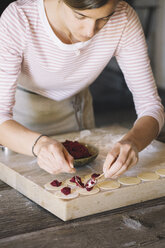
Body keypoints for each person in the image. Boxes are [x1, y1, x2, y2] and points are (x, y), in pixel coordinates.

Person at [0, 0, 164, 178]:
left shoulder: (123, 19)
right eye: (81, 16)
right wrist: (38, 145)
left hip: (77, 108)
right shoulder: (19, 19)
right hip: (20, 121)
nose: (89, 32)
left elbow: (151, 105)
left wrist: (133, 142)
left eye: (104, 18)